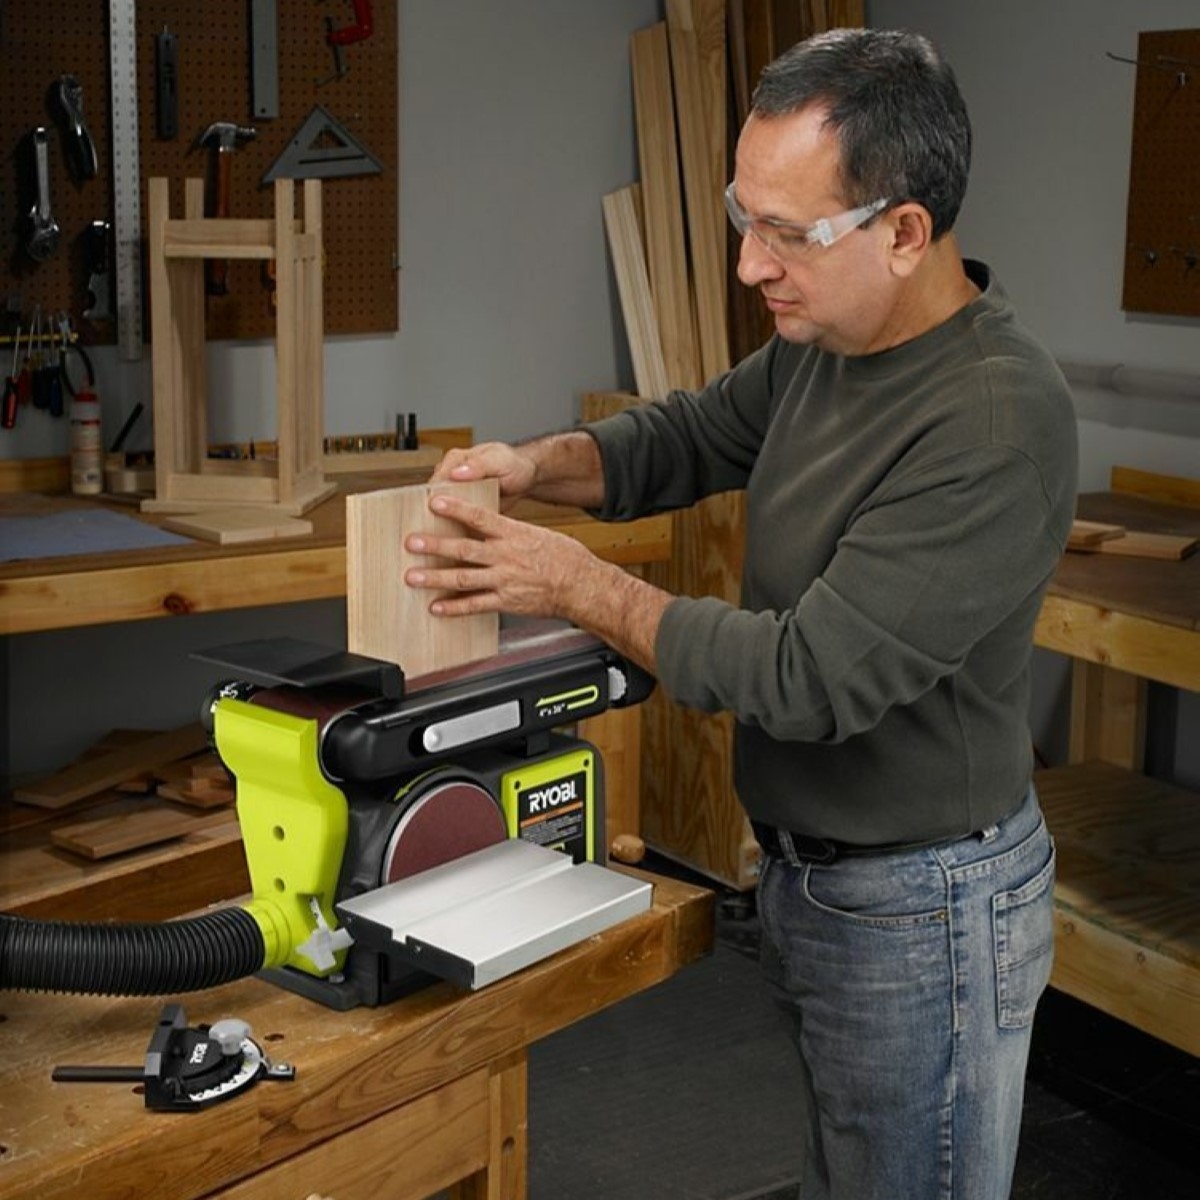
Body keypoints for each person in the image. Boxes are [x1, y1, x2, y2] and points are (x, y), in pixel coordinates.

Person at [404, 27, 1078, 1200]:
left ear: (906, 232)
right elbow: (688, 436)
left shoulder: (992, 422)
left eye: (786, 233)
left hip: (924, 906)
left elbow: (811, 679)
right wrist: (530, 467)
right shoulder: (830, 339)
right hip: (817, 877)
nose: (748, 265)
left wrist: (572, 582)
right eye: (741, 218)